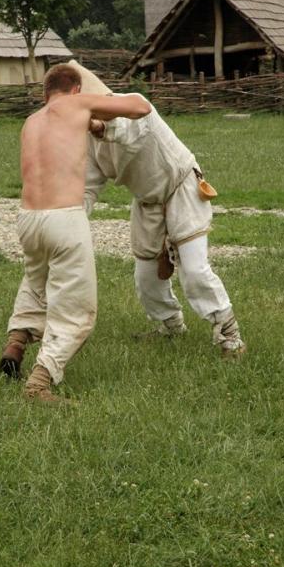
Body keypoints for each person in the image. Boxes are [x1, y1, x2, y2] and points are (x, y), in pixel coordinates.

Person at [69, 60, 245, 358]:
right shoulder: (87, 140)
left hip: (181, 189)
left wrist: (98, 126)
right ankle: (171, 325)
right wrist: (71, 220)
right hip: (147, 202)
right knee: (146, 278)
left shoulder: (132, 107)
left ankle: (230, 335)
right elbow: (88, 185)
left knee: (195, 270)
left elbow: (127, 130)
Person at [0, 64, 151, 403]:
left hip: (28, 220)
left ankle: (16, 344)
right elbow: (141, 107)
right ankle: (40, 382)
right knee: (77, 309)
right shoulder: (77, 103)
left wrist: (91, 124)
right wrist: (97, 111)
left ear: (46, 92)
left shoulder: (31, 121)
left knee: (36, 282)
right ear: (76, 89)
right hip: (64, 219)